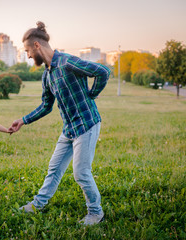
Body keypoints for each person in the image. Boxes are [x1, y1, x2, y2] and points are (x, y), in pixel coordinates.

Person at [9, 22, 111, 225]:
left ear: (37, 46)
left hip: (87, 125)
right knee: (54, 170)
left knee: (81, 173)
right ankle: (38, 204)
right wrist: (22, 120)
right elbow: (46, 106)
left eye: (28, 51)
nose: (28, 56)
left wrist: (92, 94)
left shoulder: (68, 62)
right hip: (69, 129)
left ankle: (95, 212)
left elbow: (102, 71)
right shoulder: (47, 75)